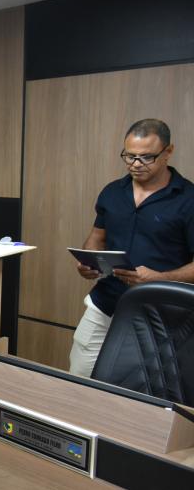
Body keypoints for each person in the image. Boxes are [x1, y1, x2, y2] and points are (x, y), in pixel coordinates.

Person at [70, 118, 194, 377]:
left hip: (162, 315)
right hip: (105, 303)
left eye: (146, 157)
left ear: (168, 152)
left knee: (142, 388)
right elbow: (96, 238)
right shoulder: (112, 192)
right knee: (79, 377)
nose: (136, 164)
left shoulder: (189, 199)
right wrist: (88, 262)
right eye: (129, 156)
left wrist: (160, 278)